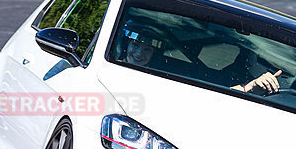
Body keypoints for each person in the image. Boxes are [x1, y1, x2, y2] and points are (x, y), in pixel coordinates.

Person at [121, 20, 282, 94]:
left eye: (147, 50)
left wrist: (251, 86)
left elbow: (217, 96)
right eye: (135, 45)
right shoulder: (108, 66)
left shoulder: (165, 78)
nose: (139, 54)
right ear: (125, 45)